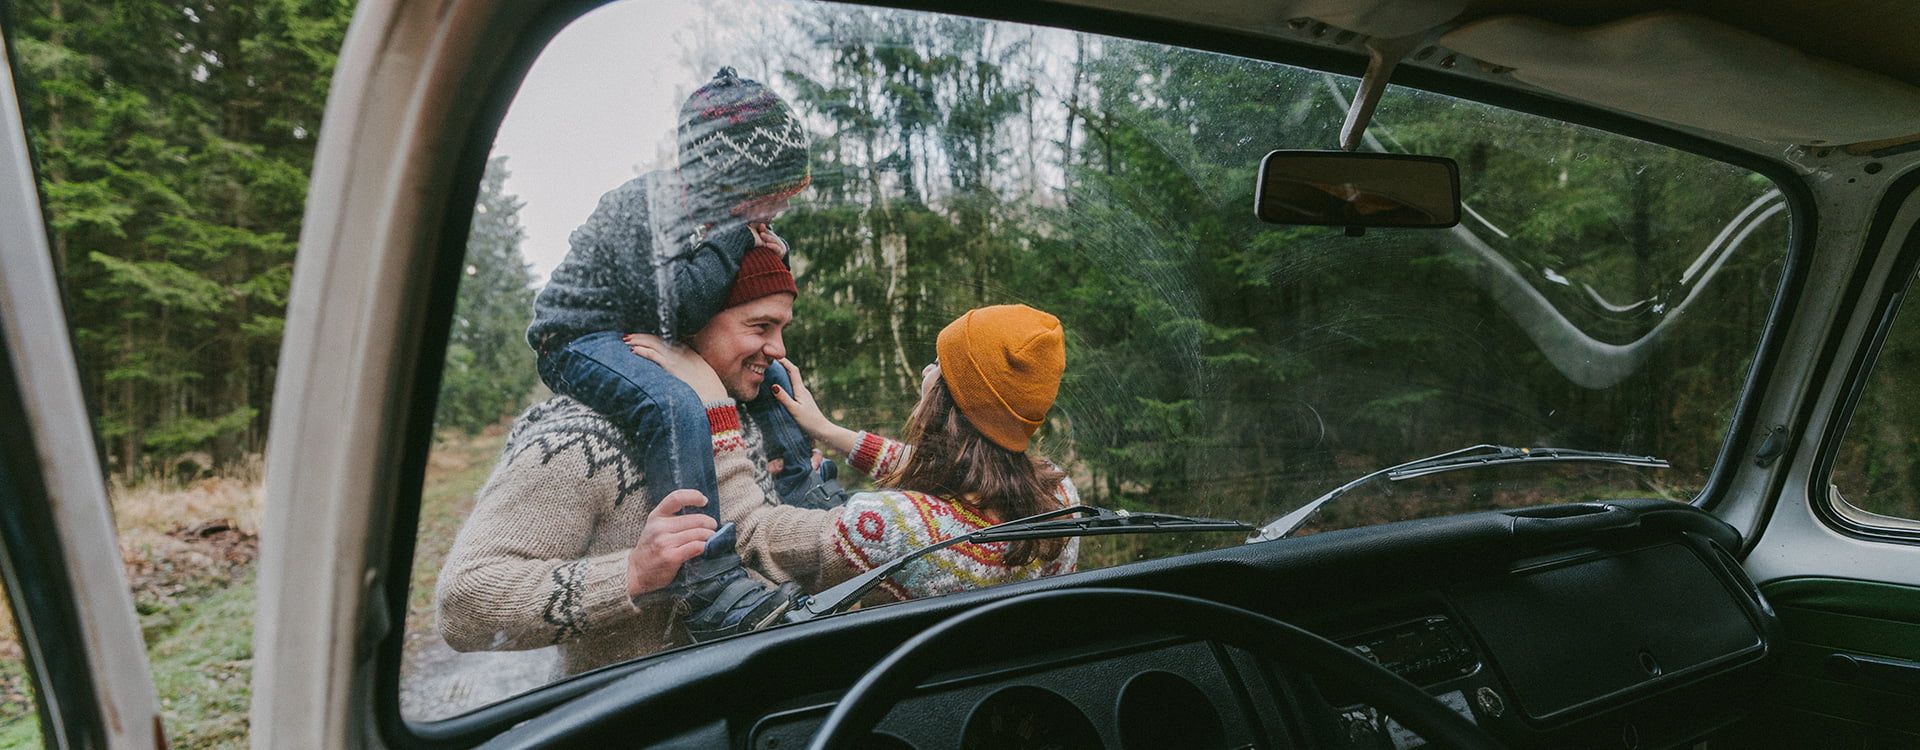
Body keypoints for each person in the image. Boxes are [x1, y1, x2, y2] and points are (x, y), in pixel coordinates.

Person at [520, 67, 836, 642]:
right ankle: (703, 576)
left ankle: (807, 491)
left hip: (637, 324)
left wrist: (764, 240)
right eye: (769, 197)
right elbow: (682, 310)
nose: (778, 210)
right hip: (578, 336)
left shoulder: (721, 219)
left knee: (774, 380)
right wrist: (742, 231)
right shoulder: (647, 208)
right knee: (673, 404)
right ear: (731, 180)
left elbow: (744, 268)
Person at [437, 274, 805, 674]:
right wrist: (631, 575)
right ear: (687, 325)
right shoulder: (578, 438)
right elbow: (465, 602)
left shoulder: (746, 420)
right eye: (760, 326)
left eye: (783, 328)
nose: (778, 350)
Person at [630, 304, 1080, 605]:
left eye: (938, 367)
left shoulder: (886, 526)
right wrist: (828, 431)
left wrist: (716, 407)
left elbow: (753, 535)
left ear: (949, 399)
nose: (927, 372)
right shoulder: (1062, 498)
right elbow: (961, 477)